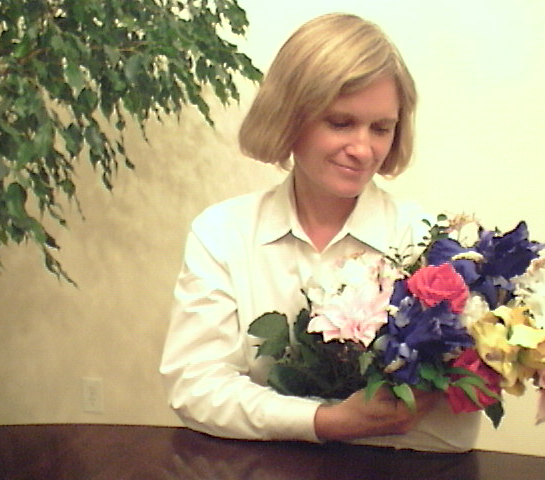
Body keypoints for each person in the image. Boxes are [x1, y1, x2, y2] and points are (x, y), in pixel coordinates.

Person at [160, 12, 480, 452]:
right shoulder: (223, 233)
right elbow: (196, 387)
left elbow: (453, 427)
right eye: (340, 122)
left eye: (381, 128)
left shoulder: (429, 242)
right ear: (288, 118)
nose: (363, 149)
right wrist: (327, 421)